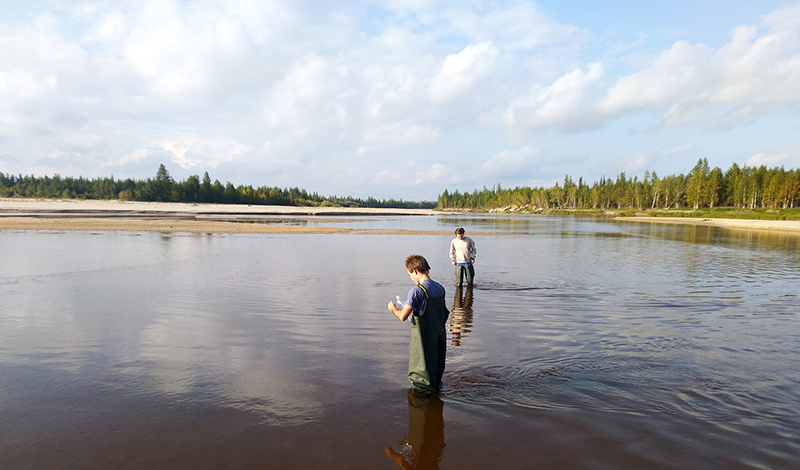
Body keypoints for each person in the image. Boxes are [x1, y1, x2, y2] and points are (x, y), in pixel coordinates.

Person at [388, 254, 449, 396]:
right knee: (435, 378)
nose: (410, 277)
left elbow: (403, 316)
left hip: (422, 345)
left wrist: (393, 309)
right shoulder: (440, 288)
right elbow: (440, 315)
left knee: (420, 385)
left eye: (409, 274)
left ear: (415, 271)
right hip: (438, 343)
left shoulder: (417, 291)